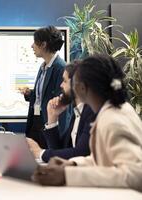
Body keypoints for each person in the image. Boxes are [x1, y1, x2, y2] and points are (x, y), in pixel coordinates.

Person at [32, 55, 142, 192]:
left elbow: (136, 174)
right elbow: (103, 160)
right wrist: (73, 164)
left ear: (82, 88)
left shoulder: (113, 120)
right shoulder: (110, 111)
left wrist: (67, 175)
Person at [27, 62, 94, 162]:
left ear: (78, 85)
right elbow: (59, 150)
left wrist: (40, 153)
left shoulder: (91, 112)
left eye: (65, 81)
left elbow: (81, 153)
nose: (61, 85)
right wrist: (52, 118)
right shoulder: (78, 112)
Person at [20, 26, 67, 148]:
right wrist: (30, 94)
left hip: (48, 123)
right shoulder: (43, 67)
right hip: (36, 122)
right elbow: (44, 95)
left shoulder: (60, 68)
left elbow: (60, 101)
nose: (32, 46)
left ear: (43, 44)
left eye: (35, 42)